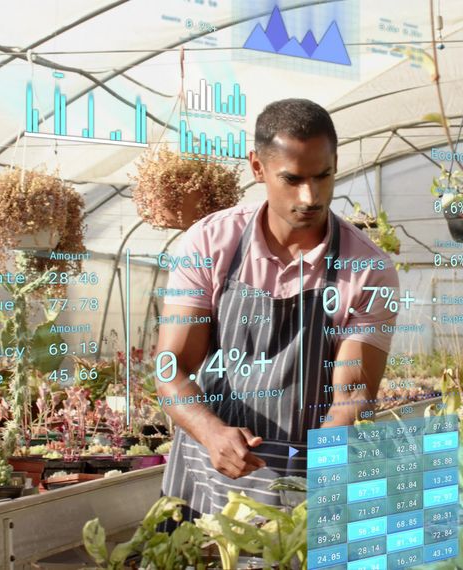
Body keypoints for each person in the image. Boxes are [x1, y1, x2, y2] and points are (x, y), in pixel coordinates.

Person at [154, 98, 400, 522]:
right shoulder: (209, 243)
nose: (310, 196)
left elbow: (353, 393)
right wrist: (210, 432)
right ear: (257, 167)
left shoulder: (368, 270)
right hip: (205, 473)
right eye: (293, 179)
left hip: (300, 483)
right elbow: (171, 366)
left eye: (323, 176)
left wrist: (330, 459)